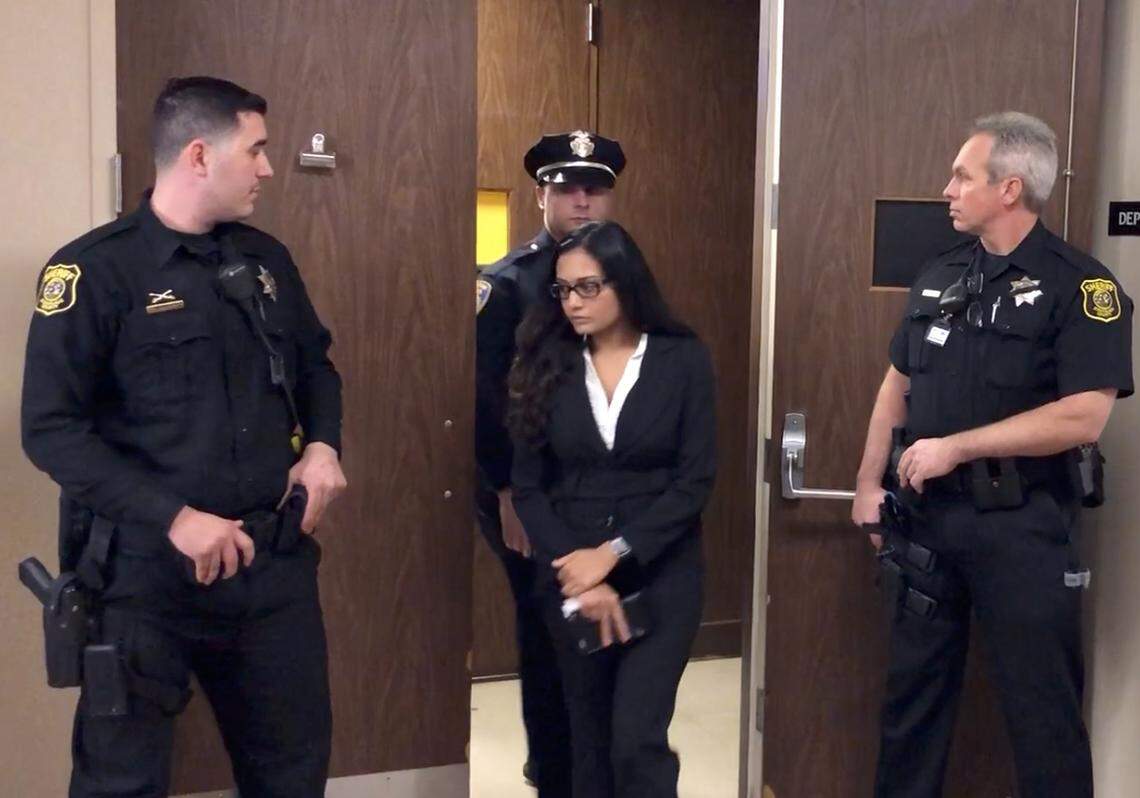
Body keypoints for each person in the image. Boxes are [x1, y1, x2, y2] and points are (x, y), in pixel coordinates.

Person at [21, 76, 347, 797]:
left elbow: (315, 366)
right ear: (200, 155)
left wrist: (324, 447)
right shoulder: (94, 272)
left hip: (270, 570)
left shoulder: (265, 261)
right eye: (255, 149)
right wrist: (175, 518)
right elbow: (50, 432)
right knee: (120, 784)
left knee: (291, 775)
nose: (267, 167)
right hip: (144, 582)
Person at [851, 111, 1133, 798]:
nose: (947, 189)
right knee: (910, 709)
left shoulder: (1083, 288)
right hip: (927, 525)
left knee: (1044, 715)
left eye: (961, 176)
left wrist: (955, 447)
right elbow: (898, 383)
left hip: (1023, 530)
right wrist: (866, 482)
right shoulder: (941, 274)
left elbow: (1083, 416)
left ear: (1010, 188)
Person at [508, 221, 716, 798]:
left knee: (636, 740)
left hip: (661, 574)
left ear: (625, 283)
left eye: (588, 287)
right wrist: (578, 571)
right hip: (569, 574)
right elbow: (528, 487)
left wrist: (613, 554)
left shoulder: (682, 359)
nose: (572, 302)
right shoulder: (542, 361)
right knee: (590, 741)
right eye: (563, 290)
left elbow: (694, 481)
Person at [475, 130, 625, 793]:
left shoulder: (630, 276)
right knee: (546, 639)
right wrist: (506, 492)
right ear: (543, 195)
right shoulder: (507, 284)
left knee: (612, 634)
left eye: (595, 188)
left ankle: (603, 769)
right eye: (567, 188)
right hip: (531, 495)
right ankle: (555, 774)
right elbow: (485, 399)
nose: (582, 201)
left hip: (608, 491)